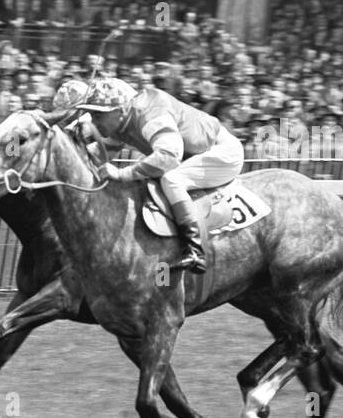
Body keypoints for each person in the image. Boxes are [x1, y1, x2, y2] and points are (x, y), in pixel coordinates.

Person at [50, 75, 245, 273]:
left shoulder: (150, 113)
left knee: (172, 180)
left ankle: (196, 251)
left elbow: (169, 157)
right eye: (92, 115)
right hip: (192, 155)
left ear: (121, 110)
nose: (94, 121)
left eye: (98, 116)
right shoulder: (120, 121)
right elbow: (102, 154)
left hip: (222, 153)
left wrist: (121, 174)